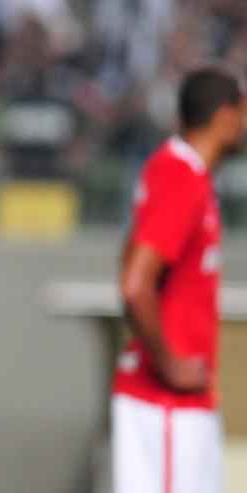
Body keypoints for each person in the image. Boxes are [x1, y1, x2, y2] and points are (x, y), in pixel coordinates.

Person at [113, 66, 244, 493]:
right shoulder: (180, 175)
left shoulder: (182, 172)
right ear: (225, 115)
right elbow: (134, 283)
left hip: (178, 404)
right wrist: (169, 363)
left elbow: (130, 259)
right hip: (165, 404)